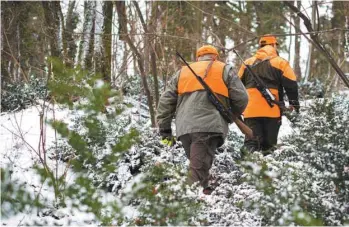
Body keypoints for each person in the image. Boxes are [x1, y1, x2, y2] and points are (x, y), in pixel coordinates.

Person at [156, 45, 248, 194]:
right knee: (197, 174)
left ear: (198, 57)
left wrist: (165, 129)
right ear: (215, 57)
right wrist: (231, 115)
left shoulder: (182, 72)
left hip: (185, 130)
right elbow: (242, 97)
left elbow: (166, 101)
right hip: (209, 127)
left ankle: (203, 202)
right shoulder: (224, 69)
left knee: (199, 170)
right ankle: (184, 206)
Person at [238, 34, 300, 154]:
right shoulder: (281, 62)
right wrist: (294, 105)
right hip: (272, 110)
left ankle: (246, 169)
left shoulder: (247, 63)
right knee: (269, 146)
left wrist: (238, 108)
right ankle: (266, 171)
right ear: (273, 45)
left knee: (251, 143)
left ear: (260, 46)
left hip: (250, 111)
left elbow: (237, 86)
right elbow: (291, 85)